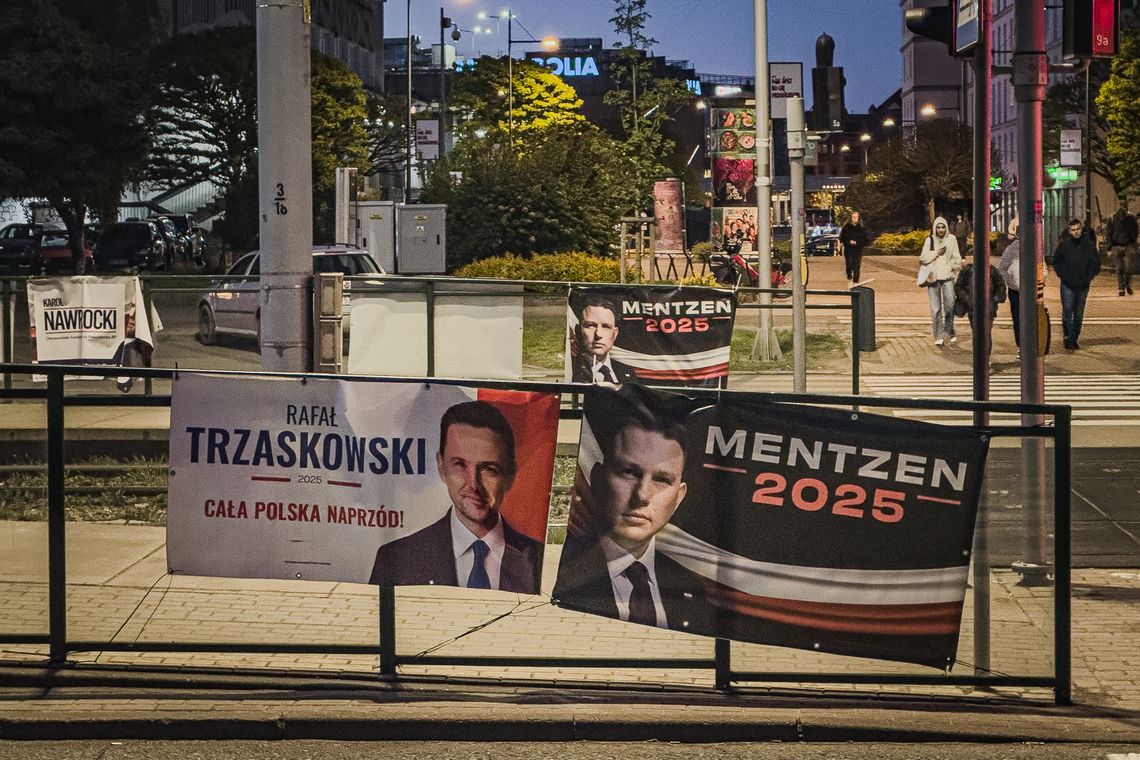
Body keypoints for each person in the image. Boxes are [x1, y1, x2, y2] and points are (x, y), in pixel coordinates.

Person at [553, 398, 709, 632]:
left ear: (679, 497)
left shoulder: (691, 588)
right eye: (628, 472)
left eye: (662, 479)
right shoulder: (571, 576)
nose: (642, 495)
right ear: (597, 479)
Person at [368, 400, 542, 592]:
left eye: (488, 469)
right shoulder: (397, 559)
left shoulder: (537, 559)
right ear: (442, 467)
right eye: (459, 465)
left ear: (510, 476)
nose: (473, 484)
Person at [1052, 218, 1101, 350]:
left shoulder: (1089, 245)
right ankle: (1069, 337)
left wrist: (1088, 276)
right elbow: (1056, 262)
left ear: (1081, 229)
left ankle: (1074, 336)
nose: (1076, 232)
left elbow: (1096, 263)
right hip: (1067, 283)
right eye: (1073, 230)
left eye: (1078, 229)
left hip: (1083, 284)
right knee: (1068, 310)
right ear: (1069, 231)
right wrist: (1063, 275)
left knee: (1079, 312)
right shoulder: (1064, 245)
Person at [918, 216, 962, 347]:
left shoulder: (952, 239)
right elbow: (923, 258)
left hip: (947, 277)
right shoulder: (929, 240)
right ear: (934, 228)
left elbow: (957, 258)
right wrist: (936, 252)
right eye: (938, 227)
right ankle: (938, 335)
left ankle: (949, 329)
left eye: (943, 227)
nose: (941, 229)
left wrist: (950, 267)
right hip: (933, 279)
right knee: (936, 309)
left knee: (950, 305)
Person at [570, 297, 635, 384]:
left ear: (615, 334)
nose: (598, 334)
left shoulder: (627, 370)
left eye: (606, 326)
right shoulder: (571, 370)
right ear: (578, 330)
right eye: (590, 325)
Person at [952, 256, 1007, 346]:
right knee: (977, 333)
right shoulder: (967, 270)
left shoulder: (992, 270)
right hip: (973, 308)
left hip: (988, 307)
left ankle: (985, 357)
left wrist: (995, 299)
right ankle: (979, 357)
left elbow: (1001, 285)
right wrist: (968, 299)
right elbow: (958, 286)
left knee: (986, 333)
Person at [997, 217, 1023, 350]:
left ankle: (1030, 345)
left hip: (1032, 290)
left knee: (1032, 319)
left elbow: (1043, 267)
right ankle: (1021, 345)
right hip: (1016, 290)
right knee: (1018, 319)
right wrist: (1010, 281)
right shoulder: (1011, 249)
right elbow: (1001, 268)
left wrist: (1042, 279)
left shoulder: (1036, 247)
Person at [1105, 205, 1137, 297]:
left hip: (1128, 245)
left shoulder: (1131, 218)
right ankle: (1122, 287)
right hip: (1117, 246)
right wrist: (1109, 248)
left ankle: (1126, 284)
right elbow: (1109, 234)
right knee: (1119, 268)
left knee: (1128, 268)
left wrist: (1133, 242)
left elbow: (1135, 230)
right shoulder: (1112, 219)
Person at [839, 211, 869, 288]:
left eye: (856, 217)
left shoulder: (861, 228)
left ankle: (856, 280)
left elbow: (866, 239)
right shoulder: (846, 227)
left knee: (857, 265)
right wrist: (849, 241)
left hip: (858, 249)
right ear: (851, 218)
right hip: (848, 248)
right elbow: (842, 238)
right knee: (849, 263)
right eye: (853, 217)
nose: (855, 219)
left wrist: (857, 242)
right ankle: (849, 277)